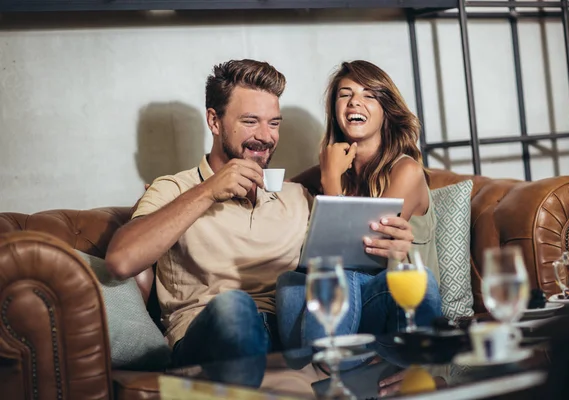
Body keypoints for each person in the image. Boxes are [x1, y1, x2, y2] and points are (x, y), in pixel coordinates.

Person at [105, 59, 417, 378]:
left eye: (274, 123)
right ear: (214, 121)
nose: (265, 137)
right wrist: (208, 191)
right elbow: (121, 260)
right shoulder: (175, 189)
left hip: (291, 340)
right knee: (236, 307)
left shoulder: (296, 195)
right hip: (215, 336)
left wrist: (395, 245)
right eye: (251, 121)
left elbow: (345, 267)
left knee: (400, 286)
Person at [276, 60, 442, 351]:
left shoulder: (406, 171)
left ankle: (326, 363)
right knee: (291, 281)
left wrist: (330, 181)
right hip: (345, 309)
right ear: (335, 110)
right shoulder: (328, 170)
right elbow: (279, 197)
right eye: (345, 94)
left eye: (369, 95)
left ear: (386, 110)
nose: (355, 101)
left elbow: (357, 253)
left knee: (344, 272)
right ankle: (315, 367)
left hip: (395, 301)